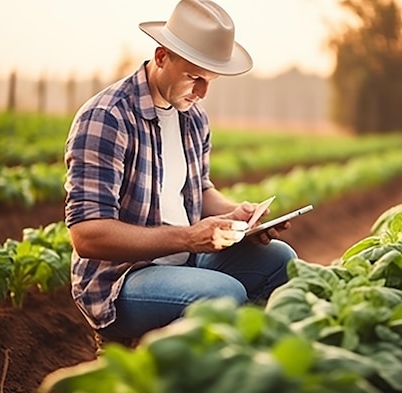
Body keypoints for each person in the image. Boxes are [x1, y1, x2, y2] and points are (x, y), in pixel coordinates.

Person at [64, 0, 298, 349]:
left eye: (210, 81)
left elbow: (199, 189)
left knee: (282, 261)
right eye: (194, 77)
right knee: (224, 293)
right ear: (161, 57)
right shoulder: (107, 118)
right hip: (121, 279)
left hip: (183, 262)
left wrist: (238, 216)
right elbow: (87, 236)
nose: (202, 92)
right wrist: (189, 237)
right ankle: (152, 359)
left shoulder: (193, 116)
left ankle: (230, 358)